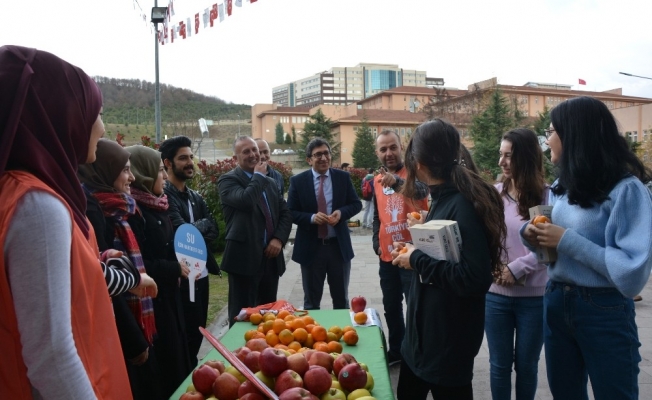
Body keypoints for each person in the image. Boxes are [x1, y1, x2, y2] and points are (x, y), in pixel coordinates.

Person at [0, 45, 131, 398]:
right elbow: (52, 358)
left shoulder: (19, 192)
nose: (101, 128)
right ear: (59, 114)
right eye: (96, 112)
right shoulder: (37, 205)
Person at [521, 96, 652, 400]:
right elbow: (550, 251)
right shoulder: (562, 187)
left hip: (603, 309)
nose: (547, 140)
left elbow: (632, 273)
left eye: (551, 132)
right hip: (555, 300)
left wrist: (565, 239)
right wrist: (532, 234)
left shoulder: (626, 190)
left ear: (575, 135)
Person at [391, 119, 506, 400]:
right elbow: (448, 257)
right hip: (420, 341)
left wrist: (416, 259)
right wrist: (413, 249)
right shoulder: (443, 197)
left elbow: (475, 277)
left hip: (446, 345)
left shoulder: (462, 204)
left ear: (418, 163)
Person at [79, 139, 164, 399]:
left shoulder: (122, 208)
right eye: (125, 169)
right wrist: (134, 340)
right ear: (105, 169)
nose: (132, 177)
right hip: (118, 327)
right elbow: (100, 278)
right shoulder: (95, 209)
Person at [485, 128, 549, 400]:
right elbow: (484, 240)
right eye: (501, 155)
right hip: (496, 297)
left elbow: (548, 249)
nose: (502, 162)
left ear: (526, 158)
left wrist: (517, 268)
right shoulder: (494, 195)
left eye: (509, 156)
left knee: (527, 366)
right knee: (499, 367)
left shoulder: (545, 197)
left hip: (533, 299)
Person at [126, 144, 194, 398]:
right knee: (165, 368)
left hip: (170, 298)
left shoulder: (158, 204)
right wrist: (174, 268)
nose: (164, 176)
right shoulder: (134, 212)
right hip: (153, 304)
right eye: (159, 171)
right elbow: (140, 264)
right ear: (143, 173)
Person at [217, 136, 293, 325]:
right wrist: (258, 177)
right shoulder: (228, 181)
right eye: (246, 152)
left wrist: (278, 239)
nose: (253, 154)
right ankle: (238, 354)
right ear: (236, 158)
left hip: (270, 259)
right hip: (244, 260)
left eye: (254, 150)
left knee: (268, 316)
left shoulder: (270, 182)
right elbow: (246, 201)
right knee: (242, 316)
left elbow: (285, 214)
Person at [159, 135, 221, 362]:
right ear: (167, 163)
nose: (189, 163)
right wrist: (196, 231)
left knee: (198, 334)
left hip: (202, 276)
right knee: (183, 341)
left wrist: (193, 232)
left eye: (191, 157)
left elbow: (214, 229)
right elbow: (179, 233)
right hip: (182, 279)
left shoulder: (195, 196)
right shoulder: (165, 196)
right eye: (183, 158)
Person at [371, 129, 429, 366]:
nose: (389, 153)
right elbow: (377, 214)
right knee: (391, 307)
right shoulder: (376, 180)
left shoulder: (416, 172)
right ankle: (397, 350)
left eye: (393, 147)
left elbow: (421, 192)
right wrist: (376, 241)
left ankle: (416, 352)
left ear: (401, 146)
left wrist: (396, 182)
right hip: (387, 256)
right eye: (383, 149)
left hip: (411, 254)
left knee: (414, 306)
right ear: (377, 152)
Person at [287, 138, 363, 310]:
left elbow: (356, 204)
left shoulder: (342, 178)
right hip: (311, 249)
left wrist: (341, 213)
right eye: (317, 155)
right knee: (311, 303)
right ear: (309, 159)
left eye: (326, 153)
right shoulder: (298, 182)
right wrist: (312, 218)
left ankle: (342, 334)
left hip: (338, 248)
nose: (323, 158)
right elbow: (290, 212)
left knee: (341, 301)